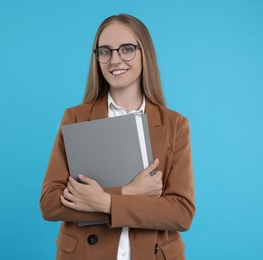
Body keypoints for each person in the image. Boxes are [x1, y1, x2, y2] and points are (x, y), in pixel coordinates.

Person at [40, 14, 195, 260]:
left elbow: (180, 213)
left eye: (127, 49)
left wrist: (104, 202)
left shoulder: (175, 124)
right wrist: (128, 192)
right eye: (105, 51)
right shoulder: (75, 117)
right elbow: (49, 203)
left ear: (145, 53)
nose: (115, 60)